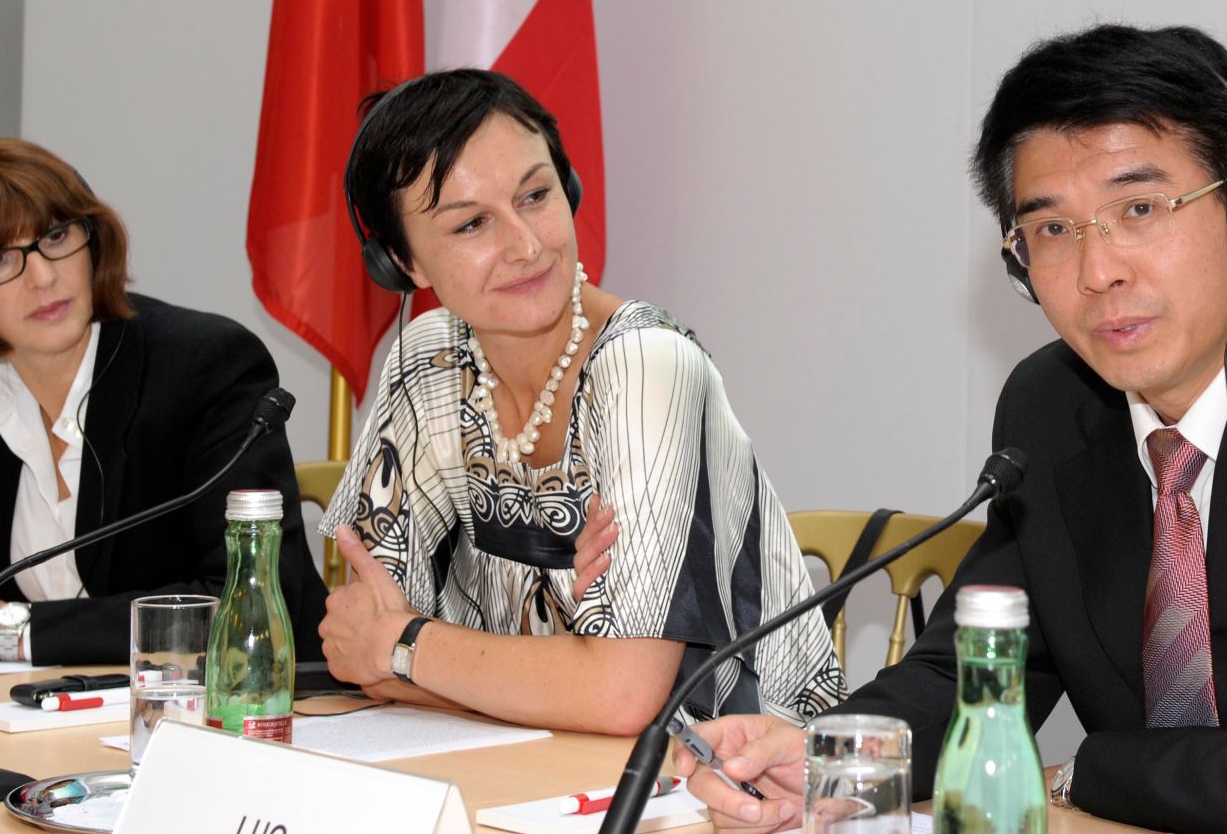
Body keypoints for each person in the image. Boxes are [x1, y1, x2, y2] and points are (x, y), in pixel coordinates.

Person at [592, 25, 1227, 833]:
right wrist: (830, 758)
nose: (1096, 268)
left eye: (1139, 207)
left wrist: (1073, 776)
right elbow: (982, 665)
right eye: (1051, 230)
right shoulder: (1051, 406)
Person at [317, 68, 845, 736]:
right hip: (530, 761)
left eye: (535, 195)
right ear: (403, 262)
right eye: (473, 223)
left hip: (745, 781)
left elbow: (623, 697)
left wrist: (411, 647)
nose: (528, 244)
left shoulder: (649, 367)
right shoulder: (428, 360)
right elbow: (358, 647)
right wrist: (556, 670)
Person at [0, 139, 326, 664]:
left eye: (56, 236)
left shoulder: (204, 366)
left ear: (94, 242)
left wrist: (11, 629)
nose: (43, 278)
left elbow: (253, 602)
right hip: (49, 720)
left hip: (240, 716)